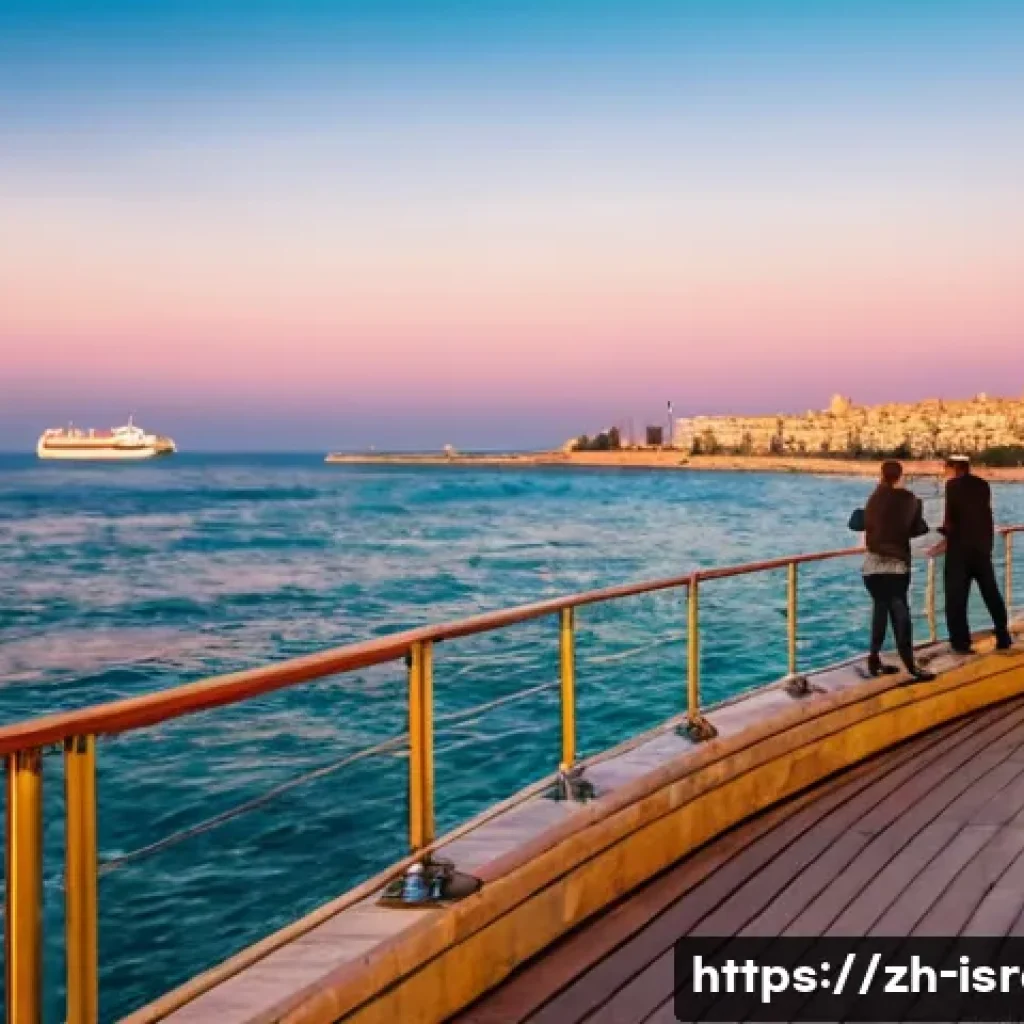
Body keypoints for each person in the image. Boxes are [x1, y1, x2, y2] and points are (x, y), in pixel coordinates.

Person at [927, 455, 1012, 653]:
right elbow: (981, 515)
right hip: (982, 548)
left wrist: (942, 539)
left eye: (946, 469)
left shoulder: (952, 486)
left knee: (956, 598)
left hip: (960, 551)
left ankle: (960, 643)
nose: (945, 473)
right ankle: (1003, 634)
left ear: (954, 468)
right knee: (991, 593)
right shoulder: (983, 485)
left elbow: (950, 520)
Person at [860, 460, 935, 680]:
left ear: (881, 475)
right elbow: (915, 527)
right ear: (901, 476)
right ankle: (910, 666)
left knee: (880, 610)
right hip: (896, 565)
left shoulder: (873, 498)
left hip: (872, 565)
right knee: (901, 614)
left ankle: (874, 659)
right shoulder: (910, 499)